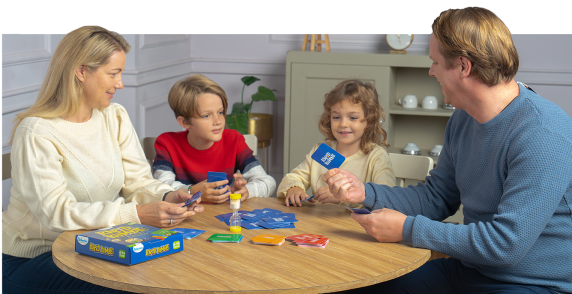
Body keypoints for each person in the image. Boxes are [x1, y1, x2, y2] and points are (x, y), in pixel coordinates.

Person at [323, 7, 572, 294]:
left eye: (436, 62)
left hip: (532, 283)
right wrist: (364, 193)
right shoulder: (464, 118)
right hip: (469, 268)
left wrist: (407, 229)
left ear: (463, 67)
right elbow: (437, 198)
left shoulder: (543, 134)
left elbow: (506, 245)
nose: (431, 71)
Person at [1, 26, 204, 294]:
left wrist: (169, 196)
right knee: (135, 285)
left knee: (178, 267)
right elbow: (56, 213)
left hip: (94, 243)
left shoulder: (114, 116)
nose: (120, 84)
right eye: (113, 73)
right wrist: (137, 214)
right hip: (32, 259)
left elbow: (138, 182)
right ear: (81, 71)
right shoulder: (36, 131)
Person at [152, 74, 276, 203]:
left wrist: (246, 191)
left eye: (220, 112)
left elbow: (268, 182)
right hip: (184, 218)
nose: (218, 121)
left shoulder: (233, 140)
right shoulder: (167, 143)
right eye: (206, 115)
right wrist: (193, 191)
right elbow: (162, 188)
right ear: (184, 122)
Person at [278, 79, 396, 207]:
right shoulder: (323, 151)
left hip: (357, 226)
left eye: (353, 118)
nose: (343, 124)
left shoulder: (376, 157)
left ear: (369, 120)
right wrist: (294, 189)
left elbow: (387, 199)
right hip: (317, 223)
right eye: (336, 117)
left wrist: (343, 198)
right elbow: (292, 178)